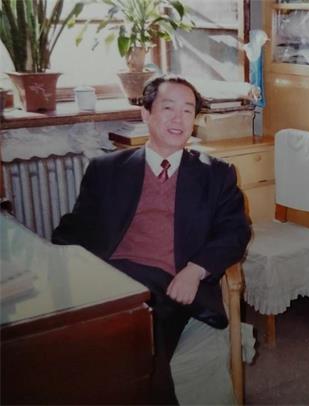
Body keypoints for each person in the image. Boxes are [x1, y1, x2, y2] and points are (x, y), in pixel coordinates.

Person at [52, 74, 251, 404]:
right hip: (109, 282)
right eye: (168, 108)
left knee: (136, 332)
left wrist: (195, 270)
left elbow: (236, 231)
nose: (178, 119)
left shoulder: (216, 173)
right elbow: (73, 229)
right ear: (146, 114)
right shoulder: (106, 169)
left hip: (170, 286)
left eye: (187, 111)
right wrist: (62, 269)